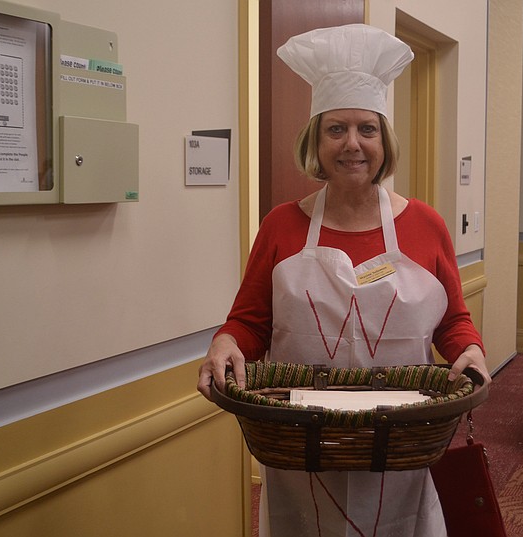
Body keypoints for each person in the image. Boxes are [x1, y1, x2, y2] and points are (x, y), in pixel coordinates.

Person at [197, 24, 489, 537]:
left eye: (366, 129)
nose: (352, 144)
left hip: (399, 446)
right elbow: (249, 323)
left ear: (384, 140)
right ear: (316, 139)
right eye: (336, 129)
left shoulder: (426, 225)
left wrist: (469, 349)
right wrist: (225, 342)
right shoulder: (281, 225)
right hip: (300, 447)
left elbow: (453, 320)